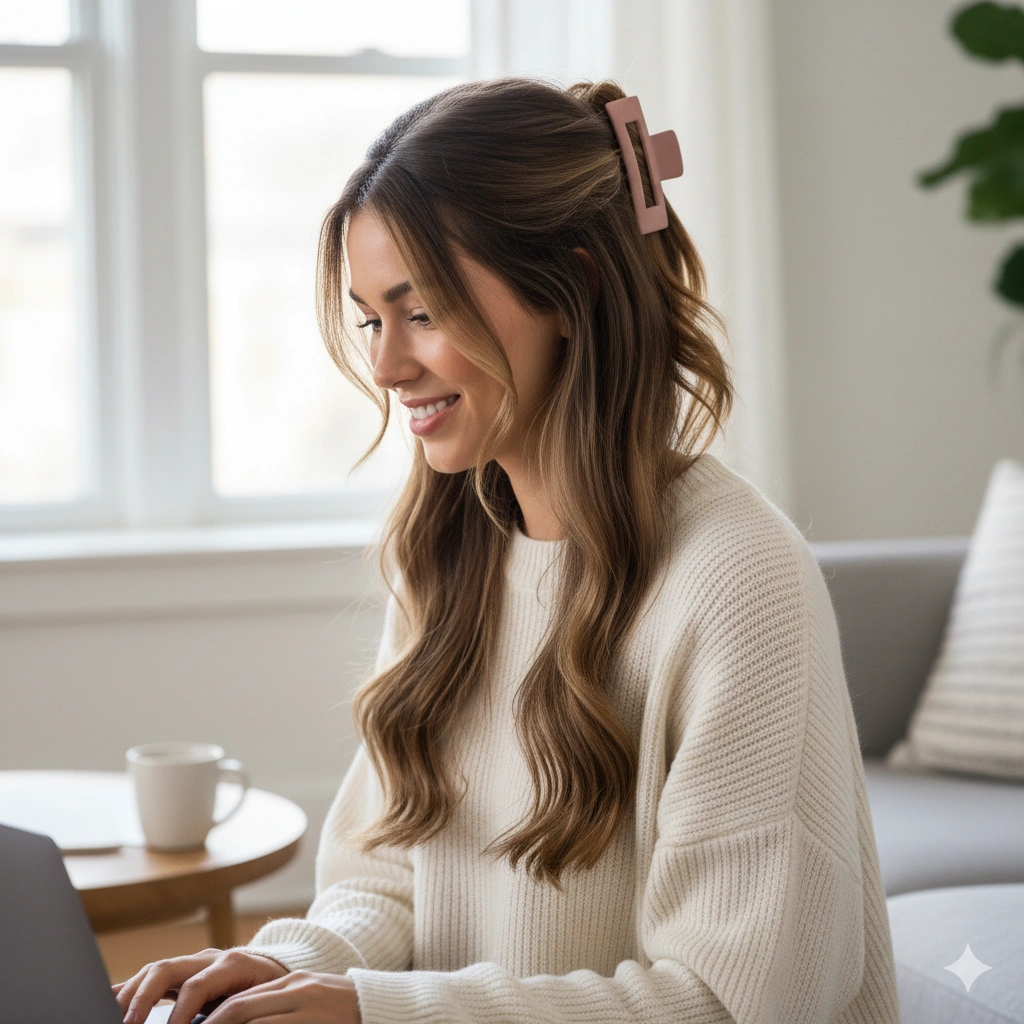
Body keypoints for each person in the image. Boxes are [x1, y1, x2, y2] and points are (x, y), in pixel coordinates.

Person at [114, 76, 901, 1024]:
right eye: (371, 317)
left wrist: (373, 1012)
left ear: (573, 287)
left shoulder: (737, 581)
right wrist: (282, 968)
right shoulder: (447, 552)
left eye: (424, 311)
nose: (387, 366)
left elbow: (730, 1004)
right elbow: (390, 875)